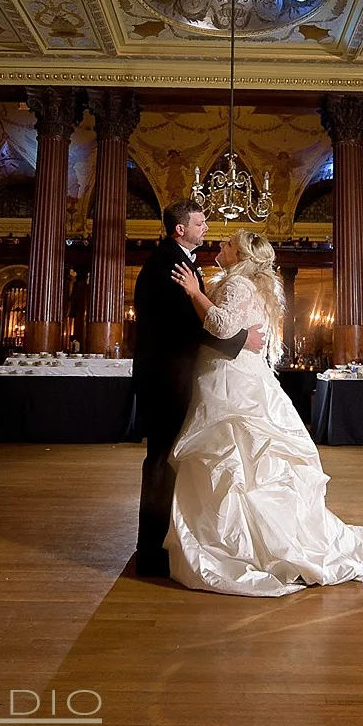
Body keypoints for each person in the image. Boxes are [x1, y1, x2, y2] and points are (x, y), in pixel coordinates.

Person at [166, 228, 363, 597]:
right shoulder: (253, 285)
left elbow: (221, 326)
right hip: (241, 375)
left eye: (228, 244)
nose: (220, 246)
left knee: (234, 458)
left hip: (230, 382)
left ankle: (242, 547)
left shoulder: (238, 285)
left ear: (240, 256)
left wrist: (194, 293)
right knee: (241, 462)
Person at [132, 200, 264, 578]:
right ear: (180, 229)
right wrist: (241, 340)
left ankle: (169, 541)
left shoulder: (178, 260)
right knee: (161, 460)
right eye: (200, 223)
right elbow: (184, 326)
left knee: (170, 457)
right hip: (166, 378)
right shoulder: (168, 264)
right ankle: (151, 552)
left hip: (174, 374)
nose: (206, 228)